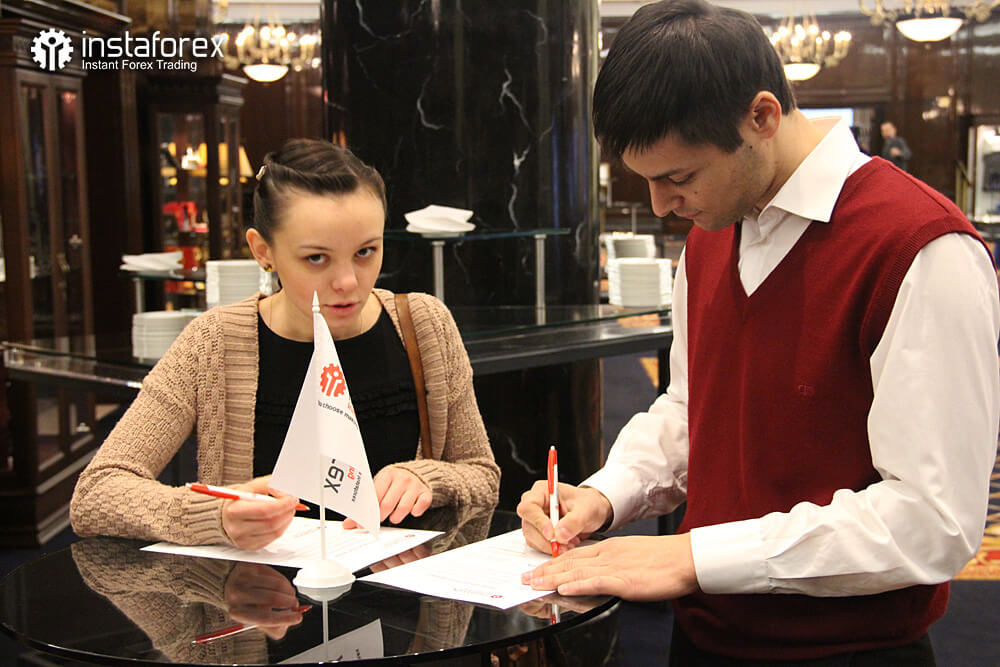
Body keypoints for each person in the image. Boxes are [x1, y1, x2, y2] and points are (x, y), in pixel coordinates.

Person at [517, 1, 999, 663]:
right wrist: (605, 494)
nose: (660, 206)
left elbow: (932, 519)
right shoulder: (710, 235)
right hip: (702, 635)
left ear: (762, 117)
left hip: (847, 651)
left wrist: (697, 556)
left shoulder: (921, 248)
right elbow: (693, 409)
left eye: (678, 177)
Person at [71, 139, 499, 550]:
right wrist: (213, 514)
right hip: (260, 596)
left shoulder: (424, 324)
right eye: (316, 258)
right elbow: (96, 493)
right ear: (263, 251)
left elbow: (482, 475)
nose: (347, 282)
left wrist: (430, 479)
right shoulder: (214, 343)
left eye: (366, 251)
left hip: (402, 592)